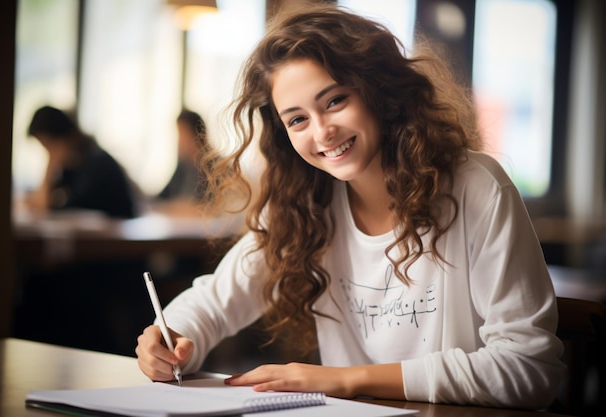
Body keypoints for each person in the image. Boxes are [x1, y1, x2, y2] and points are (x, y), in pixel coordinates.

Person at [135, 4, 564, 409]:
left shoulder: (476, 187)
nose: (322, 132)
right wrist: (172, 339)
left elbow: (529, 368)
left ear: (377, 90)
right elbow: (215, 300)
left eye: (335, 100)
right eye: (297, 119)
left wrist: (345, 379)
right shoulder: (303, 204)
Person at [24, 105, 136, 218]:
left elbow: (49, 207)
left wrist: (50, 165)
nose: (49, 153)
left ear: (61, 139)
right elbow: (41, 204)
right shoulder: (73, 167)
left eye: (48, 146)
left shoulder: (97, 164)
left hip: (115, 233)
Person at [153, 109, 211, 216]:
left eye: (182, 135)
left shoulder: (214, 167)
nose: (179, 142)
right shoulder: (183, 166)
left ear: (197, 135)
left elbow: (203, 208)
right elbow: (160, 199)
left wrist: (172, 207)